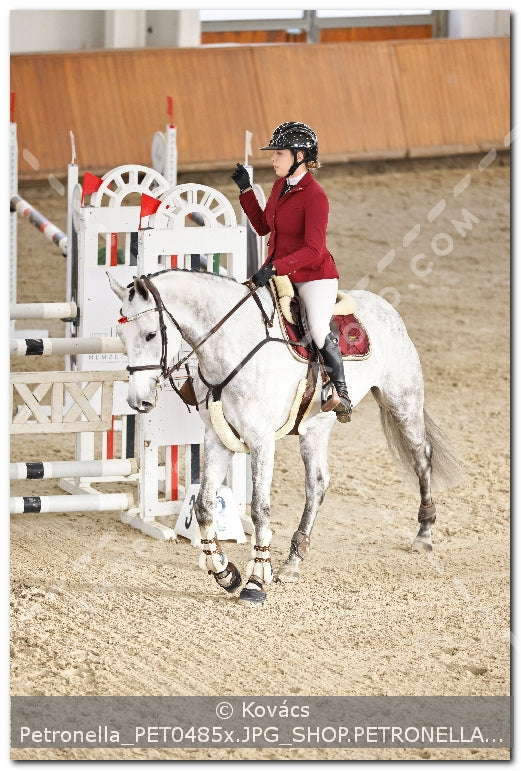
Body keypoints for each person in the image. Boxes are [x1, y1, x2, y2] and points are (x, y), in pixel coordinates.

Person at [231, 121, 352, 422]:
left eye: (279, 153)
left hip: (314, 275)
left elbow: (313, 249)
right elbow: (262, 226)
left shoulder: (316, 197)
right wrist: (246, 190)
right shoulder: (278, 186)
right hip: (278, 272)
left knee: (319, 329)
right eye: (273, 154)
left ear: (300, 156)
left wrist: (274, 268)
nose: (273, 159)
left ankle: (340, 392)